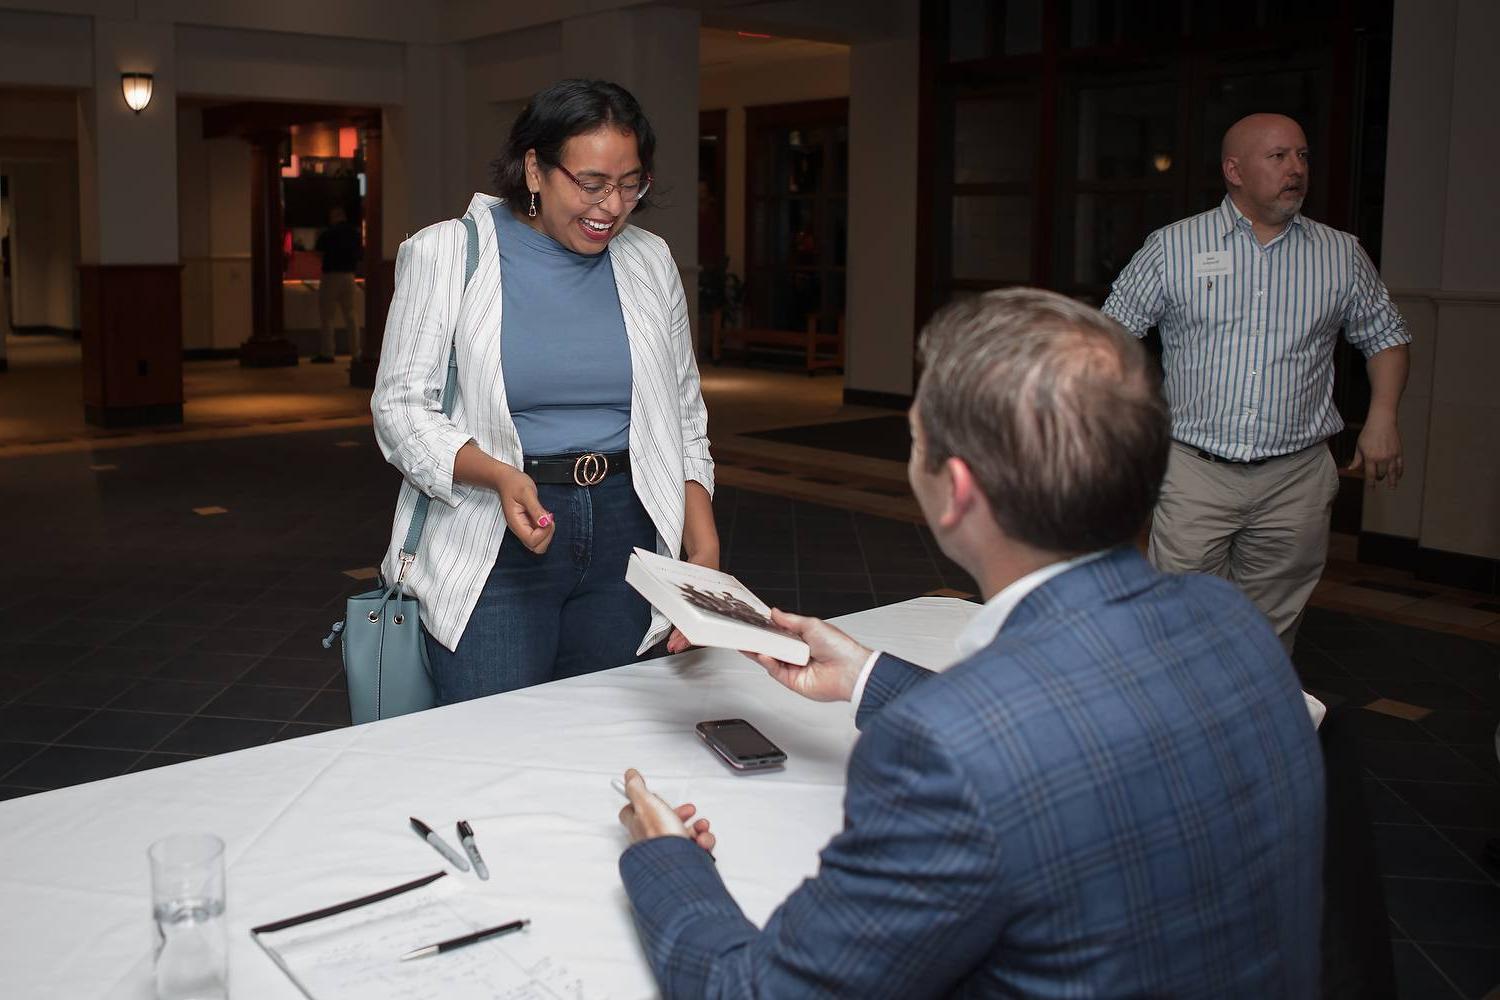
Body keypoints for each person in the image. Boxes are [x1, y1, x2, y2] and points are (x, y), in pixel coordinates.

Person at [614, 289, 1326, 998]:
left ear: (955, 492)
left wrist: (666, 859)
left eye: (917, 440)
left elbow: (759, 992)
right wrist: (866, 678)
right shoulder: (1228, 620)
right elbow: (1076, 725)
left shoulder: (945, 753)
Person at [371, 79, 717, 702]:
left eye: (630, 184)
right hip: (496, 529)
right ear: (535, 167)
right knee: (494, 740)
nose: (611, 206)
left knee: (611, 733)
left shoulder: (650, 261)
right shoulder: (447, 253)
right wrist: (499, 477)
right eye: (590, 184)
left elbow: (684, 416)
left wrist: (705, 548)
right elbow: (401, 410)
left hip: (628, 526)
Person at [1102, 113, 1411, 653]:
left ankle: (1251, 731)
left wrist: (1383, 415)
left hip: (1296, 480)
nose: (1296, 169)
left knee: (1270, 633)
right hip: (1195, 472)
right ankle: (1185, 732)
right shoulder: (1173, 247)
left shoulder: (1341, 254)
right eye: (1279, 157)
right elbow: (1110, 336)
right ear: (1234, 170)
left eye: (1303, 156)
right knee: (1180, 624)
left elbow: (1385, 336)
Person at [313, 205, 361, 363]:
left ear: (333, 216)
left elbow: (318, 253)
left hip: (331, 275)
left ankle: (328, 352)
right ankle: (356, 352)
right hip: (349, 276)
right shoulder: (354, 233)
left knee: (327, 316)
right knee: (351, 315)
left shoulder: (328, 233)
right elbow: (360, 254)